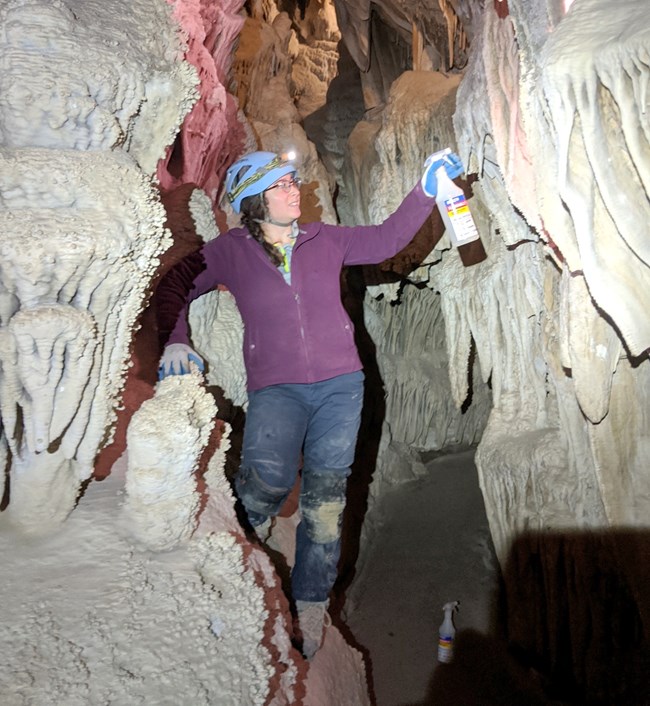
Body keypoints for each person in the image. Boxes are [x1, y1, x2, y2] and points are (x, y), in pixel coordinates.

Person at [156, 148, 464, 659]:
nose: (293, 190)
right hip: (276, 388)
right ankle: (237, 569)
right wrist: (176, 338)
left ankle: (310, 606)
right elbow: (174, 285)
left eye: (292, 181)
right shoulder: (230, 251)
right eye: (280, 185)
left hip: (341, 386)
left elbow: (388, 238)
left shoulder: (327, 239)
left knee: (325, 503)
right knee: (265, 483)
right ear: (254, 200)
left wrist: (425, 189)